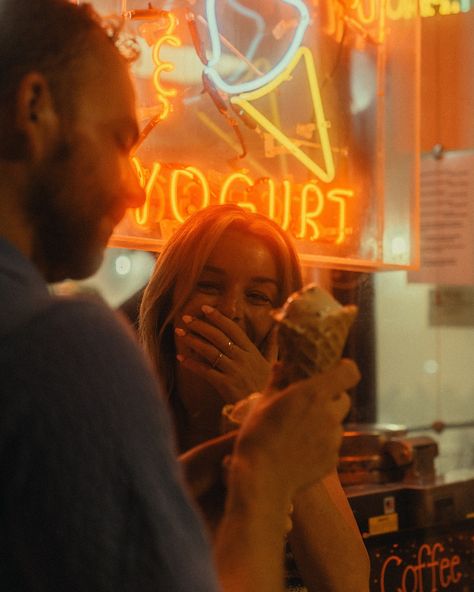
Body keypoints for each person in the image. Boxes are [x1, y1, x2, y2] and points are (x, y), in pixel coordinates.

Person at [0, 2, 360, 592]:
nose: (136, 187)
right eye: (120, 140)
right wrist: (262, 484)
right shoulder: (64, 347)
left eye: (260, 294)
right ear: (33, 108)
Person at [139, 204, 371, 591]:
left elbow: (348, 582)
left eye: (258, 296)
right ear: (167, 298)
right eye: (208, 286)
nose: (231, 310)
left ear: (281, 319)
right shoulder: (134, 416)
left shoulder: (293, 417)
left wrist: (266, 407)